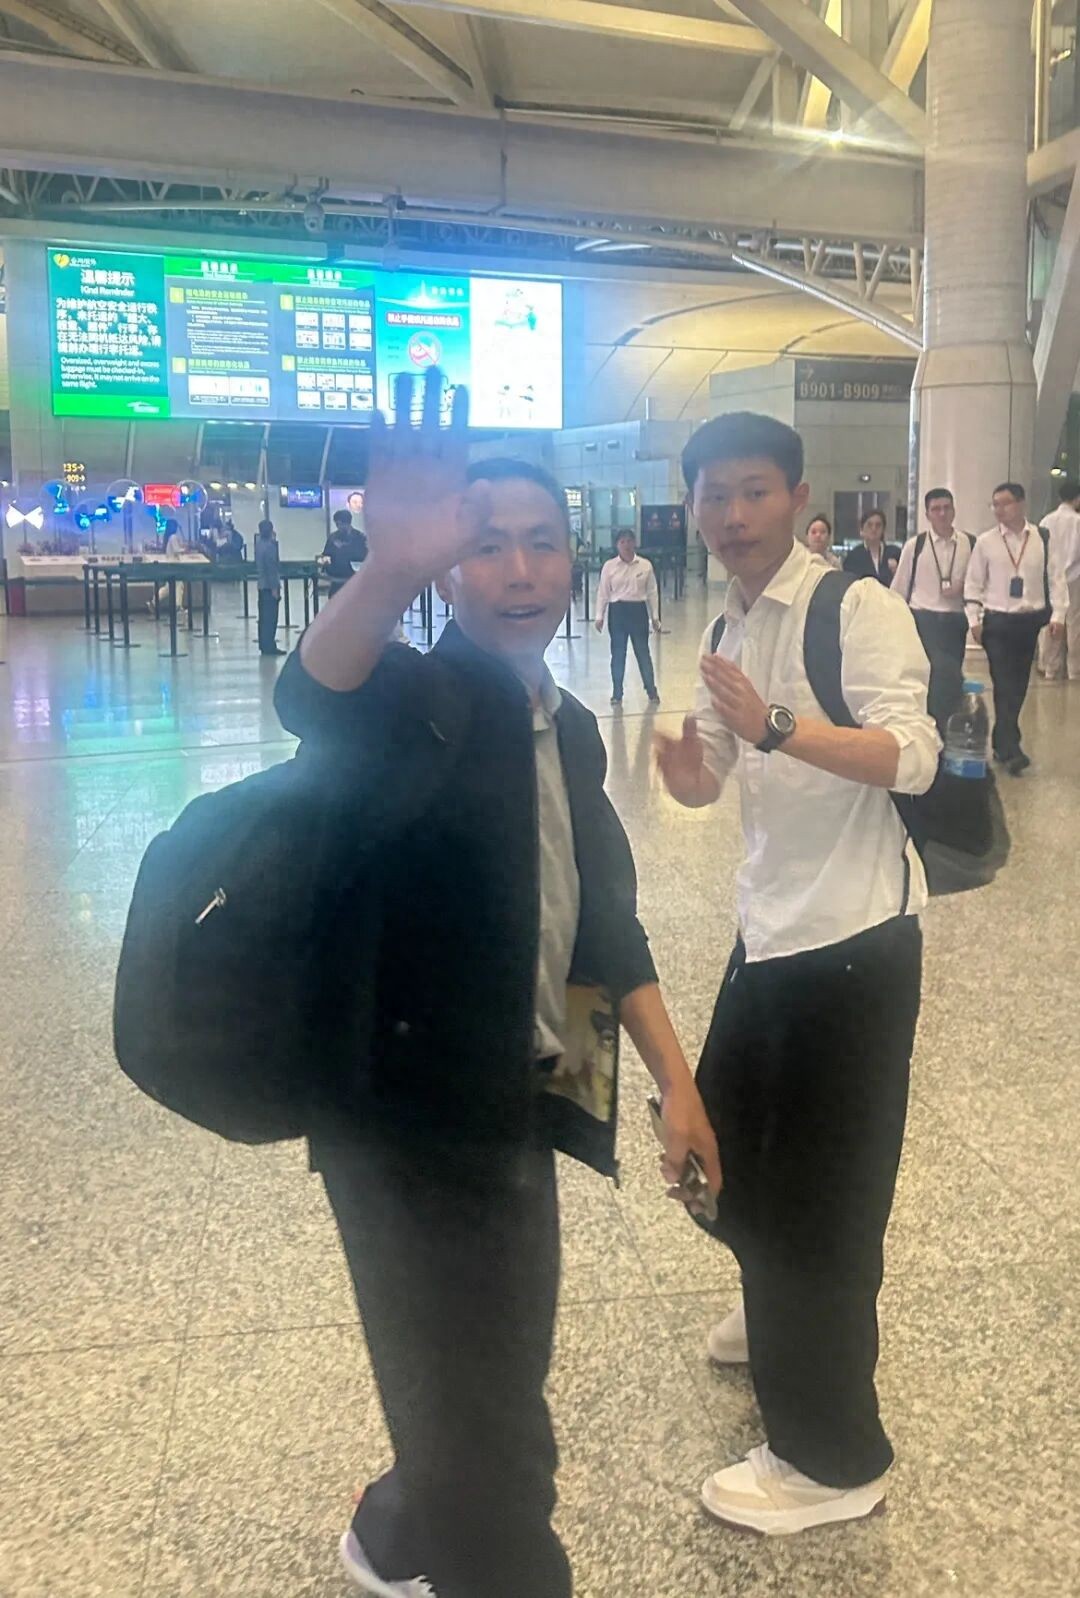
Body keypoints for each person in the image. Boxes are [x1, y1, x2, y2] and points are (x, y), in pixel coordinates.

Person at [275, 370, 720, 1598]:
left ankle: (393, 1528)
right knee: (495, 1448)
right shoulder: (417, 700)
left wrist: (676, 1082)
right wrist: (388, 571)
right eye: (486, 546)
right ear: (451, 570)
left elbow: (605, 922)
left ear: (576, 560)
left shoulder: (566, 725)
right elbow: (312, 692)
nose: (519, 570)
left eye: (541, 542)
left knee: (496, 1377)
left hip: (520, 1107)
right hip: (402, 1128)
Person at [655, 411, 939, 1538]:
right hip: (768, 931)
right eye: (714, 495)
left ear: (798, 496)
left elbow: (912, 755)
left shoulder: (853, 608)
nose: (733, 514)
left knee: (826, 1199)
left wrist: (776, 723)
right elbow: (711, 776)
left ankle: (832, 1458)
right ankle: (771, 1303)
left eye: (755, 491)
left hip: (855, 940)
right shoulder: (730, 620)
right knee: (727, 1151)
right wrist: (686, 769)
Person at [965, 482, 1067, 776]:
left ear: (1021, 504)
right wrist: (974, 620)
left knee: (1019, 685)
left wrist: (1059, 615)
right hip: (997, 622)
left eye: (1005, 503)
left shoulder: (1041, 538)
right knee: (1003, 682)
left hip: (1028, 621)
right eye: (995, 504)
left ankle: (1003, 741)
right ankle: (1011, 748)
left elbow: (1056, 577)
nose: (999, 509)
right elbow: (973, 583)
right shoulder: (986, 542)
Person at [891, 487, 973, 728]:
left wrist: (964, 588)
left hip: (955, 621)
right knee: (933, 677)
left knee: (952, 678)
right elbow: (899, 587)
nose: (942, 514)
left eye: (947, 508)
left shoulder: (969, 543)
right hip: (923, 619)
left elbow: (980, 583)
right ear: (927, 514)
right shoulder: (915, 546)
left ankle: (948, 728)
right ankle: (933, 729)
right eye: (936, 509)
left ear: (954, 511)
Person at [594, 530, 661, 706]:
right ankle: (617, 693)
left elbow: (652, 592)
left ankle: (651, 690)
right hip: (618, 612)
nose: (626, 545)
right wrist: (599, 615)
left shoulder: (645, 565)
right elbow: (603, 592)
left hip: (638, 611)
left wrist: (655, 616)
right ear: (617, 545)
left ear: (635, 543)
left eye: (629, 541)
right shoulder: (609, 566)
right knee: (618, 654)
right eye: (622, 542)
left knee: (643, 652)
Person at [1036, 477, 1080, 680]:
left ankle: (1049, 667)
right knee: (1074, 624)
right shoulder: (1077, 521)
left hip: (1050, 578)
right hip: (1075, 576)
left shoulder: (1046, 520)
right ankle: (1074, 669)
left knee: (1050, 622)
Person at [842, 507, 901, 585]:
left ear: (883, 530)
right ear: (862, 529)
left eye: (878, 525)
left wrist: (895, 571)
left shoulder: (896, 553)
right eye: (869, 525)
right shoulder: (853, 557)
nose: (874, 529)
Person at [322, 507, 370, 600]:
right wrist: (325, 565)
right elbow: (326, 555)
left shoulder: (359, 537)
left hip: (354, 580)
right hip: (336, 580)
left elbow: (364, 556)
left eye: (340, 524)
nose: (338, 527)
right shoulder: (332, 538)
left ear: (347, 523)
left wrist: (344, 549)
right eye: (337, 524)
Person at [255, 517, 284, 657]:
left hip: (261, 585)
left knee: (263, 618)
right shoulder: (271, 547)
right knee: (271, 618)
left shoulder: (259, 545)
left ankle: (263, 644)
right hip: (269, 587)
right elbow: (271, 569)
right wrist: (275, 589)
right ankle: (270, 646)